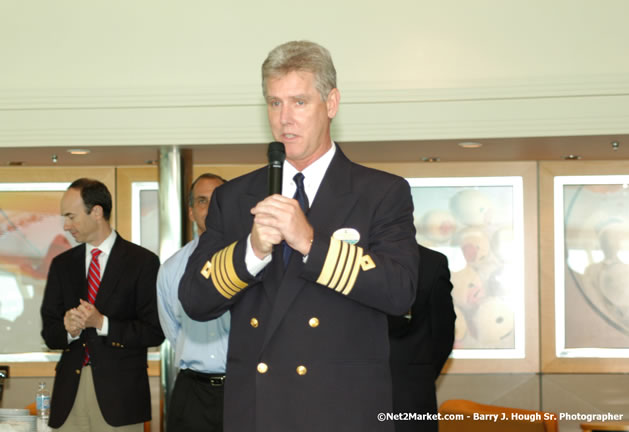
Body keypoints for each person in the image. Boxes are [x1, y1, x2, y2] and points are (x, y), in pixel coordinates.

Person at [179, 40, 419, 432]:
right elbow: (194, 299)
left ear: (332, 102)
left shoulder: (380, 192)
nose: (285, 119)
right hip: (258, 411)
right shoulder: (235, 197)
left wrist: (310, 242)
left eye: (299, 102)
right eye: (274, 103)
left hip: (342, 412)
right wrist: (252, 250)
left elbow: (399, 291)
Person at [40, 178, 164, 431]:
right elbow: (50, 334)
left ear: (96, 212)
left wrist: (102, 323)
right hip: (70, 396)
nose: (66, 226)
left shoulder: (142, 262)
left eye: (71, 216)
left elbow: (154, 331)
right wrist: (68, 330)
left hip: (120, 399)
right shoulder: (62, 265)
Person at [156, 173, 228, 432]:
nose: (209, 208)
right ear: (191, 212)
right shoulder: (170, 269)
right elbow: (174, 333)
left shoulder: (251, 261)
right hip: (191, 392)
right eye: (201, 201)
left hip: (242, 389)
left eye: (218, 199)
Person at [388, 245, 456, 432]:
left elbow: (441, 338)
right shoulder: (334, 258)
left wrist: (413, 378)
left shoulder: (430, 262)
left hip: (408, 406)